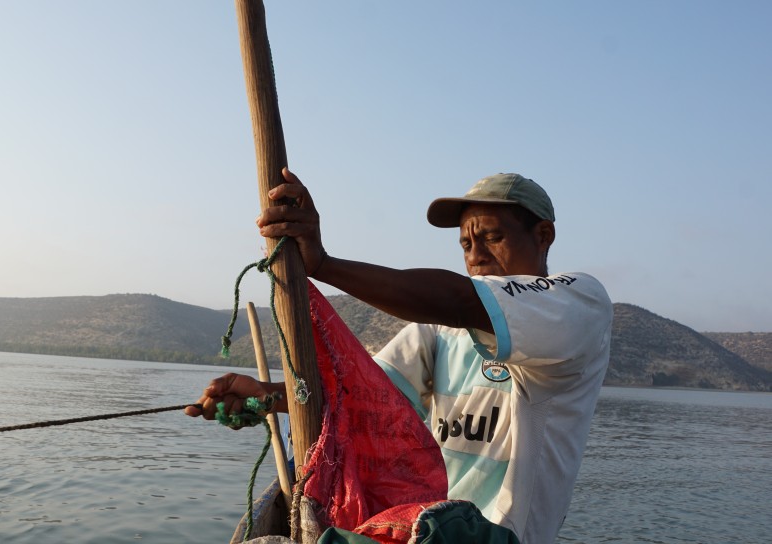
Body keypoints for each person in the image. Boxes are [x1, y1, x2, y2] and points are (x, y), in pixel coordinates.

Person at [186, 169, 612, 544]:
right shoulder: (440, 331)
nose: (476, 256)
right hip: (429, 529)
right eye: (465, 244)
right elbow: (361, 398)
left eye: (492, 237)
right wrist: (266, 396)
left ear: (543, 236)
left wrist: (324, 264)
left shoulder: (579, 305)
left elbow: (459, 299)